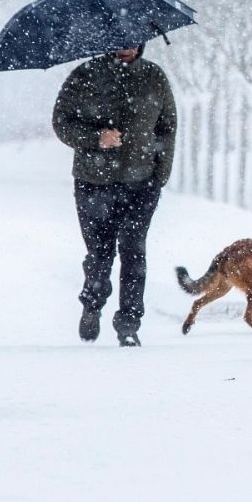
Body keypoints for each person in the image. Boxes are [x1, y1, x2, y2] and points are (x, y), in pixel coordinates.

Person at [52, 44, 176, 347]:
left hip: (141, 182)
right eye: (121, 40)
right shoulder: (85, 75)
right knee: (100, 253)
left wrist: (160, 175)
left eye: (134, 39)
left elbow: (167, 127)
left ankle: (129, 324)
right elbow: (62, 122)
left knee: (134, 252)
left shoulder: (153, 76)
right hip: (94, 181)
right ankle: (92, 304)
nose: (127, 46)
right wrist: (96, 138)